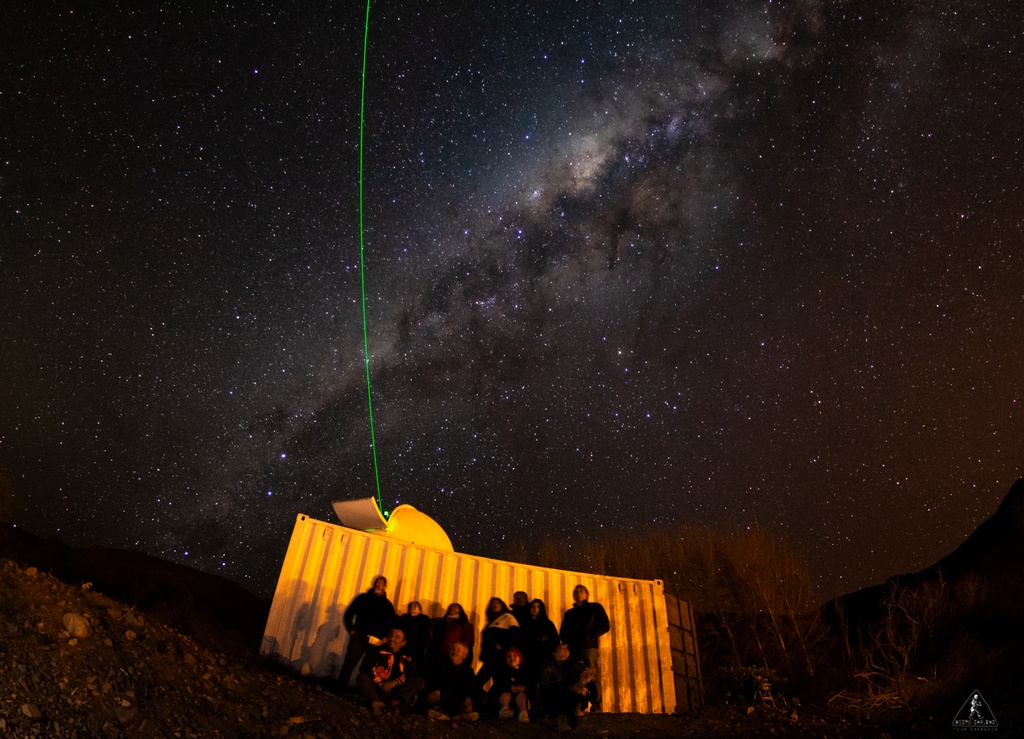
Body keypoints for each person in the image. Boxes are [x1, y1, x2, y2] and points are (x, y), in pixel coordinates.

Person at [336, 575, 395, 690]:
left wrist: (385, 638)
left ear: (385, 586)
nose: (379, 583)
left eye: (382, 582)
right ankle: (339, 688)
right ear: (374, 583)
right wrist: (351, 629)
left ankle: (364, 692)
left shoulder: (387, 605)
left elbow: (390, 624)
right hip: (359, 636)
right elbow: (349, 613)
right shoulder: (363, 598)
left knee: (369, 668)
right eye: (377, 581)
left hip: (375, 641)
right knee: (349, 664)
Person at [559, 585, 609, 711]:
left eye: (581, 590)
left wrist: (591, 636)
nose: (578, 592)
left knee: (592, 674)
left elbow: (605, 625)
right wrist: (568, 643)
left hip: (589, 647)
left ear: (587, 595)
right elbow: (563, 631)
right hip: (574, 649)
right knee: (576, 675)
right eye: (576, 591)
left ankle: (596, 705)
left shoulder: (595, 608)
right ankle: (580, 704)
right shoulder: (570, 613)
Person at [355, 626, 425, 712]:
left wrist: (395, 682)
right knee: (362, 677)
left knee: (419, 680)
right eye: (391, 636)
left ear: (403, 643)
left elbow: (413, 673)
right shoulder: (376, 651)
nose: (392, 639)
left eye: (397, 637)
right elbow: (365, 667)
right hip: (378, 687)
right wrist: (380, 683)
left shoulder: (407, 657)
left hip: (397, 690)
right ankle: (376, 702)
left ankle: (397, 702)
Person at [422, 641, 480, 722]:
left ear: (464, 655)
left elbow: (471, 687)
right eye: (453, 649)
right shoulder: (440, 666)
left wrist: (469, 698)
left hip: (456, 699)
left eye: (458, 650)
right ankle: (439, 712)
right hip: (441, 697)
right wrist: (436, 691)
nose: (455, 652)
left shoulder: (467, 671)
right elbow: (432, 680)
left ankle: (461, 714)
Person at [520, 598, 559, 703]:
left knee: (544, 683)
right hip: (528, 658)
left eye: (538, 607)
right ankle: (534, 707)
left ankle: (544, 706)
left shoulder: (547, 624)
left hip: (543, 658)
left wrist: (546, 646)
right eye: (533, 607)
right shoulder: (524, 623)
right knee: (530, 683)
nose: (535, 609)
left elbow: (555, 641)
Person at [476, 597, 520, 688]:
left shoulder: (508, 617)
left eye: (498, 603)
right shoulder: (490, 622)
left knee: (480, 681)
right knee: (486, 682)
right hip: (490, 656)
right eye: (493, 603)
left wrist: (503, 647)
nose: (495, 605)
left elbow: (516, 636)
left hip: (500, 656)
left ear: (502, 605)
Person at [486, 647, 530, 722]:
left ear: (519, 658)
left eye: (515, 656)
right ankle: (505, 710)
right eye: (509, 656)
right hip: (506, 695)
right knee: (505, 695)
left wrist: (521, 688)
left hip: (519, 697)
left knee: (522, 697)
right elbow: (499, 682)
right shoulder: (502, 671)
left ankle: (523, 712)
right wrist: (509, 687)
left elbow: (529, 684)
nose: (512, 658)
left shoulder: (525, 671)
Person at [426, 602, 475, 669]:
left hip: (456, 657)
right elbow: (435, 640)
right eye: (451, 607)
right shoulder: (441, 623)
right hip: (440, 657)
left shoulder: (464, 624)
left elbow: (468, 640)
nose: (453, 608)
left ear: (460, 610)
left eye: (456, 607)